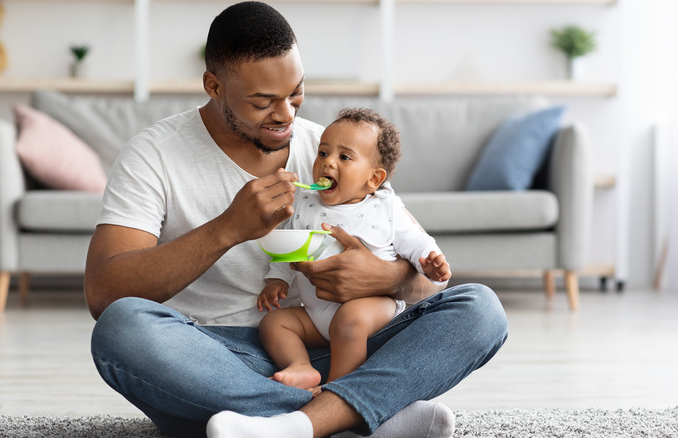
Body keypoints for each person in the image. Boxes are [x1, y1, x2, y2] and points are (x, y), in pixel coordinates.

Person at [84, 2, 508, 438]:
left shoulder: (332, 150)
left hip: (336, 346)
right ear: (213, 85)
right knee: (122, 330)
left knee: (480, 309)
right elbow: (105, 293)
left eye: (295, 93)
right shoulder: (153, 156)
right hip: (213, 357)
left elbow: (428, 279)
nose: (286, 115)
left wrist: (382, 278)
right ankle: (355, 415)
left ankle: (286, 422)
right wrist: (228, 228)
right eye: (263, 101)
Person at [257, 108, 451, 394]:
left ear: (373, 179)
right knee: (275, 323)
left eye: (344, 157)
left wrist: (430, 263)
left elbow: (415, 242)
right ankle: (300, 366)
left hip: (372, 310)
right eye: (323, 153)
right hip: (316, 316)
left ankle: (338, 391)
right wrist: (277, 280)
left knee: (350, 321)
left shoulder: (384, 208)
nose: (328, 163)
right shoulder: (305, 202)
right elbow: (291, 245)